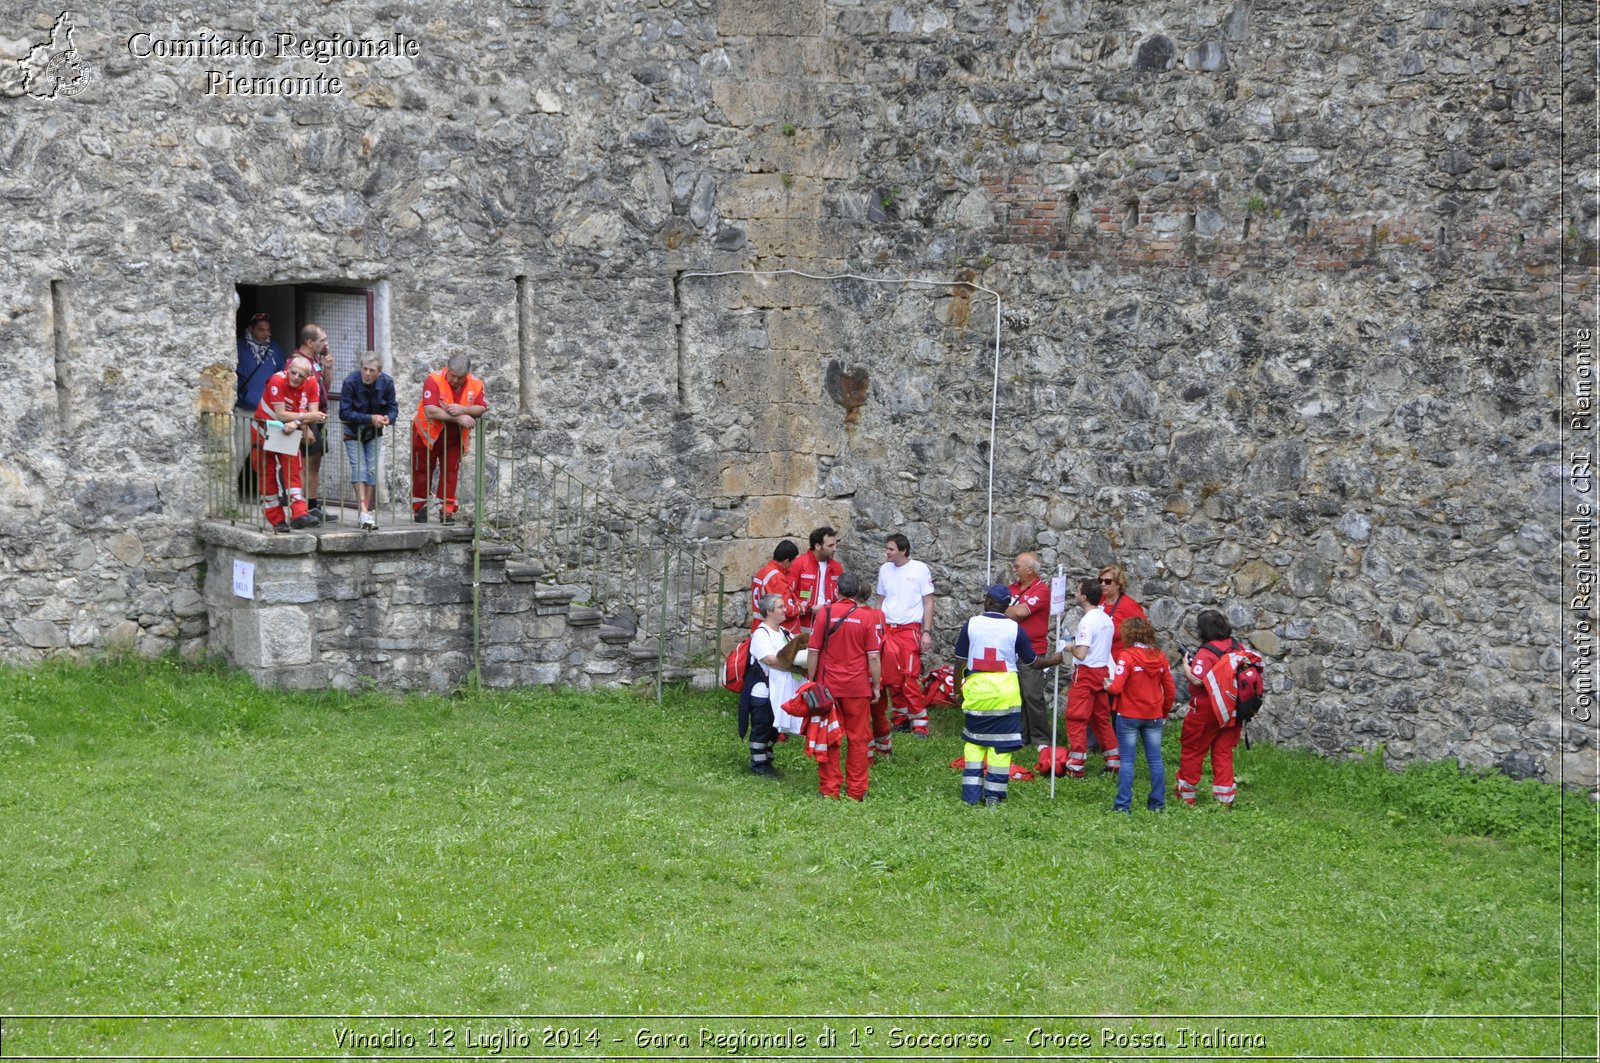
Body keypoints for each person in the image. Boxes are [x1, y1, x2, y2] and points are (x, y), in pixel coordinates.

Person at [952, 584, 1037, 806]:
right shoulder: (1015, 628)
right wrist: (1056, 660)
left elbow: (960, 660)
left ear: (988, 602)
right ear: (1008, 605)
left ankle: (970, 797)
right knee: (1001, 747)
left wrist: (956, 689)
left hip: (977, 692)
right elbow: (1031, 661)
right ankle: (994, 797)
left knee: (974, 743)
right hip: (1005, 695)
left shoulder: (971, 624)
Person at [805, 572, 881, 801]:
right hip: (857, 688)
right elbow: (874, 657)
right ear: (857, 592)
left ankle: (830, 790)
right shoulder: (867, 617)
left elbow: (813, 651)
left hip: (828, 687)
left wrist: (811, 681)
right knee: (858, 739)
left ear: (837, 591)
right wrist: (876, 686)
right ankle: (857, 791)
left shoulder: (825, 613)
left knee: (829, 737)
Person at [1176, 609, 1247, 808]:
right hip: (1233, 708)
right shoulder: (1237, 646)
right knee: (1223, 751)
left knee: (1193, 749)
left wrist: (1186, 666)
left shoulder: (1207, 653)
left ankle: (1186, 796)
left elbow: (1197, 679)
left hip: (1207, 710)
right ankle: (1225, 800)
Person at [1107, 615, 1176, 813]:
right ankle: (1157, 805)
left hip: (1128, 714)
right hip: (1153, 715)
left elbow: (1116, 688)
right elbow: (1170, 689)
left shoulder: (1126, 656)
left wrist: (1107, 686)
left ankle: (1122, 806)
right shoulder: (1160, 656)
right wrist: (1164, 711)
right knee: (1155, 760)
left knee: (1127, 761)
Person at [411, 353, 488, 524]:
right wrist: (458, 418)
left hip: (455, 437)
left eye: (460, 377)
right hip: (427, 434)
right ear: (447, 369)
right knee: (422, 470)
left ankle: (447, 511)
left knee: (451, 471)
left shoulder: (476, 384)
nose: (455, 380)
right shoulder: (433, 380)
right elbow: (431, 410)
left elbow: (481, 408)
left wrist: (462, 409)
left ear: (466, 375)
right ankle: (419, 509)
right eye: (453, 376)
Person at [874, 532, 935, 742]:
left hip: (909, 630)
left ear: (903, 550)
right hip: (888, 629)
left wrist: (926, 631)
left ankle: (920, 723)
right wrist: (877, 626)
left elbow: (929, 601)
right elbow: (880, 600)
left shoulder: (919, 569)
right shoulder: (884, 569)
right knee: (891, 678)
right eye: (887, 548)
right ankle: (900, 718)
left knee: (910, 676)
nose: (887, 552)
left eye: (891, 549)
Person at [254, 355, 327, 532]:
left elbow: (314, 412)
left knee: (294, 470)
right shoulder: (277, 380)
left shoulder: (312, 384)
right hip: (264, 430)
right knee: (267, 474)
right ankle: (275, 518)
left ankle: (299, 514)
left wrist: (296, 424)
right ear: (288, 370)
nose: (295, 377)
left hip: (289, 430)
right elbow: (281, 415)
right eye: (293, 372)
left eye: (300, 375)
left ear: (308, 376)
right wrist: (304, 421)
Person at [1064, 577, 1119, 778]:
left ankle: (1076, 766)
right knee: (1101, 719)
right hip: (1102, 671)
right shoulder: (1106, 618)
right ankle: (1113, 762)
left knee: (1076, 718)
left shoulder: (1087, 621)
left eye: (1077, 591)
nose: (1075, 594)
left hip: (1086, 673)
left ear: (1084, 597)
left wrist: (1069, 646)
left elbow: (1081, 654)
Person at [339, 352, 398, 531]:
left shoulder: (387, 383)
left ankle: (367, 510)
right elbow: (344, 413)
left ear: (379, 372)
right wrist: (370, 418)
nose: (367, 373)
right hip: (353, 430)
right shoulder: (350, 382)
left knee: (371, 469)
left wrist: (388, 418)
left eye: (371, 370)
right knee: (359, 468)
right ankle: (363, 510)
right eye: (364, 369)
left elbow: (393, 407)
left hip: (374, 432)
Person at [744, 593, 801, 776]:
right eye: (781, 607)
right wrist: (794, 666)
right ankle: (758, 766)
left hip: (780, 691)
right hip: (763, 691)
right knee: (762, 727)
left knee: (773, 729)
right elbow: (770, 659)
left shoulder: (785, 633)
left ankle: (767, 762)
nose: (785, 610)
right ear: (769, 611)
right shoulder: (761, 634)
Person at [1005, 552, 1053, 750]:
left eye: (1017, 566)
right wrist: (1010, 611)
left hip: (1032, 649)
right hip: (1010, 648)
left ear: (1030, 570)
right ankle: (1021, 736)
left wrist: (1004, 609)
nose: (1014, 569)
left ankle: (1041, 740)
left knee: (1032, 695)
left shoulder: (1041, 590)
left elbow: (1022, 612)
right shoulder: (1013, 587)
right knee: (1015, 695)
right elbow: (1010, 611)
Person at [234, 311, 285, 496]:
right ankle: (230, 493)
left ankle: (277, 494)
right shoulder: (237, 347)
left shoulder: (276, 351)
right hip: (246, 410)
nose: (266, 334)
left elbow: (282, 377)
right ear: (251, 329)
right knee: (240, 453)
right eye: (261, 330)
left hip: (271, 412)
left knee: (275, 455)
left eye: (268, 330)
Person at [293, 324, 336, 519]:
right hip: (306, 419)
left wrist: (327, 369)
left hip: (318, 416)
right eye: (322, 341)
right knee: (304, 464)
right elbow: (295, 396)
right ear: (310, 342)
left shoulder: (315, 361)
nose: (326, 344)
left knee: (315, 463)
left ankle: (312, 506)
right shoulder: (297, 364)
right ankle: (300, 509)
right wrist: (304, 428)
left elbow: (324, 388)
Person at [788, 526, 839, 628]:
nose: (835, 549)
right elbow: (788, 592)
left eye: (835, 544)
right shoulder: (800, 563)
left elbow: (841, 597)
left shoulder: (837, 567)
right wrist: (810, 608)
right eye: (830, 545)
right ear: (818, 546)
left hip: (829, 623)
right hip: (804, 623)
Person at [1099, 564, 1148, 656]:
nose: (1102, 584)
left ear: (1118, 584)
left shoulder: (1128, 605)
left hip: (1120, 661)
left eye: (1107, 581)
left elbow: (1144, 633)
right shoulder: (1099, 600)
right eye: (1100, 580)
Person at [750, 539, 799, 631]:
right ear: (786, 561)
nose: (792, 565)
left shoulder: (762, 572)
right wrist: (798, 608)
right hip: (772, 630)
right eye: (793, 562)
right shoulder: (776, 577)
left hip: (759, 627)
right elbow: (786, 609)